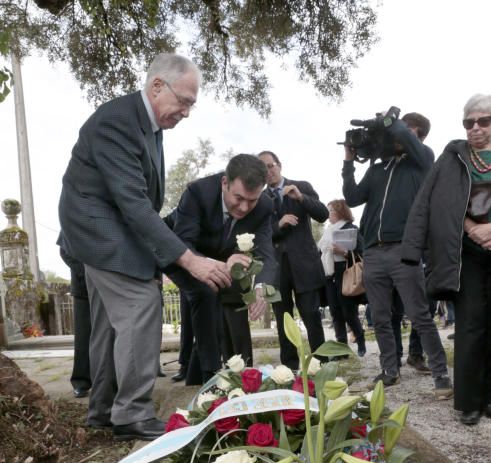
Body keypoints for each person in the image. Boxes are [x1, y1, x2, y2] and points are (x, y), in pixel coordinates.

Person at [57, 53, 232, 441]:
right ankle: (132, 413)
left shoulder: (150, 128)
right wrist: (190, 261)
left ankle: (103, 408)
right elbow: (133, 203)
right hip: (98, 228)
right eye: (184, 101)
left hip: (110, 226)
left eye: (192, 104)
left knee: (108, 324)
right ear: (157, 87)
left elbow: (142, 203)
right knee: (141, 305)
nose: (187, 112)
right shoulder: (118, 120)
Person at [342, 112, 453, 398]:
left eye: (407, 130)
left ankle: (441, 374)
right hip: (374, 252)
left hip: (405, 249)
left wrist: (393, 124)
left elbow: (405, 137)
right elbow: (353, 197)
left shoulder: (423, 159)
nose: (398, 134)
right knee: (379, 316)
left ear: (419, 135)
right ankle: (390, 371)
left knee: (420, 315)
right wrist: (348, 161)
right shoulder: (379, 168)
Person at [402, 94, 491, 425]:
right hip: (464, 252)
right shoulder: (452, 158)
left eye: (484, 121)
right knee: (470, 323)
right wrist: (471, 228)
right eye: (469, 122)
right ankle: (468, 401)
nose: (476, 128)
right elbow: (427, 202)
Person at [166, 154, 277, 382]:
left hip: (222, 257)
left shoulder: (265, 206)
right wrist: (217, 264)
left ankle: (199, 372)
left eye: (252, 200)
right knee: (204, 292)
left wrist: (261, 288)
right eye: (238, 198)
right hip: (177, 251)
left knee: (224, 295)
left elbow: (266, 252)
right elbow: (183, 243)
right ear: (225, 182)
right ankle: (210, 377)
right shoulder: (198, 192)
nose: (245, 207)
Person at [258, 150, 328, 370]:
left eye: (270, 166)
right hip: (277, 269)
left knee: (311, 315)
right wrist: (279, 225)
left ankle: (321, 363)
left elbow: (323, 214)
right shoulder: (259, 198)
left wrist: (301, 198)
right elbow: (261, 234)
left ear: (279, 165)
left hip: (304, 265)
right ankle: (289, 368)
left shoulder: (301, 187)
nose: (268, 172)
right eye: (263, 169)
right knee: (283, 319)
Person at [318, 199, 366, 356]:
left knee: (348, 312)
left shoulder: (351, 228)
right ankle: (341, 350)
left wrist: (345, 252)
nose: (328, 214)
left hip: (344, 273)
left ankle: (360, 339)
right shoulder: (328, 230)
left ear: (340, 212)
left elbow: (362, 251)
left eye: (330, 211)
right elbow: (320, 252)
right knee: (335, 313)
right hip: (329, 275)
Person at [59, 248, 92, 398]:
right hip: (83, 287)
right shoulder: (71, 223)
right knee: (83, 337)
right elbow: (65, 251)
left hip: (110, 285)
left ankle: (111, 380)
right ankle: (81, 382)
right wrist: (86, 272)